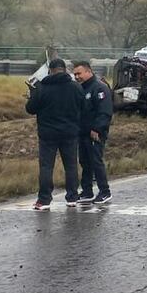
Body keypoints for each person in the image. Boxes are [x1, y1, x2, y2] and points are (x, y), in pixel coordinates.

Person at [25, 57, 85, 210]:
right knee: (71, 166)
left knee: (46, 167)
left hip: (47, 134)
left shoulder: (41, 88)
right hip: (70, 133)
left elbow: (30, 109)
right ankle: (72, 197)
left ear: (50, 71)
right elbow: (84, 107)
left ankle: (44, 200)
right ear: (65, 70)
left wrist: (32, 96)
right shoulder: (75, 87)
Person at [72, 60, 114, 205]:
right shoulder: (80, 89)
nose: (77, 77)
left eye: (79, 73)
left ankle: (105, 192)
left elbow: (105, 111)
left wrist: (97, 128)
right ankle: (87, 191)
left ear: (88, 71)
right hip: (82, 132)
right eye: (75, 74)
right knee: (85, 162)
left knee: (96, 161)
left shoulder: (99, 88)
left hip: (95, 133)